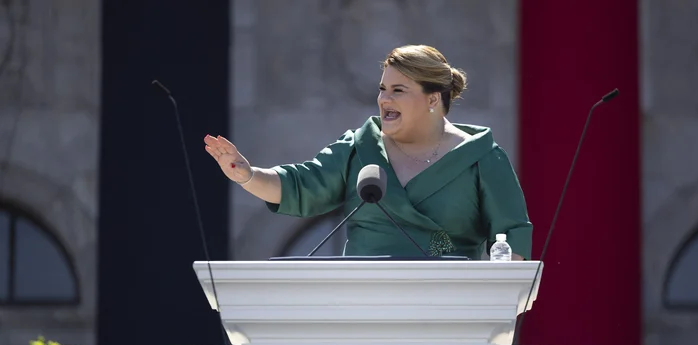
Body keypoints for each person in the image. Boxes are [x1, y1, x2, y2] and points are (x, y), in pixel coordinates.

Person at [204, 45, 532, 260]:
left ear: (433, 99)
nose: (384, 100)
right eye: (382, 89)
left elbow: (513, 235)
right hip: (363, 302)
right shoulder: (361, 147)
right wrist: (247, 174)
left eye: (398, 91)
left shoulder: (482, 157)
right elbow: (300, 185)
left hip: (451, 306)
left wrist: (502, 299)